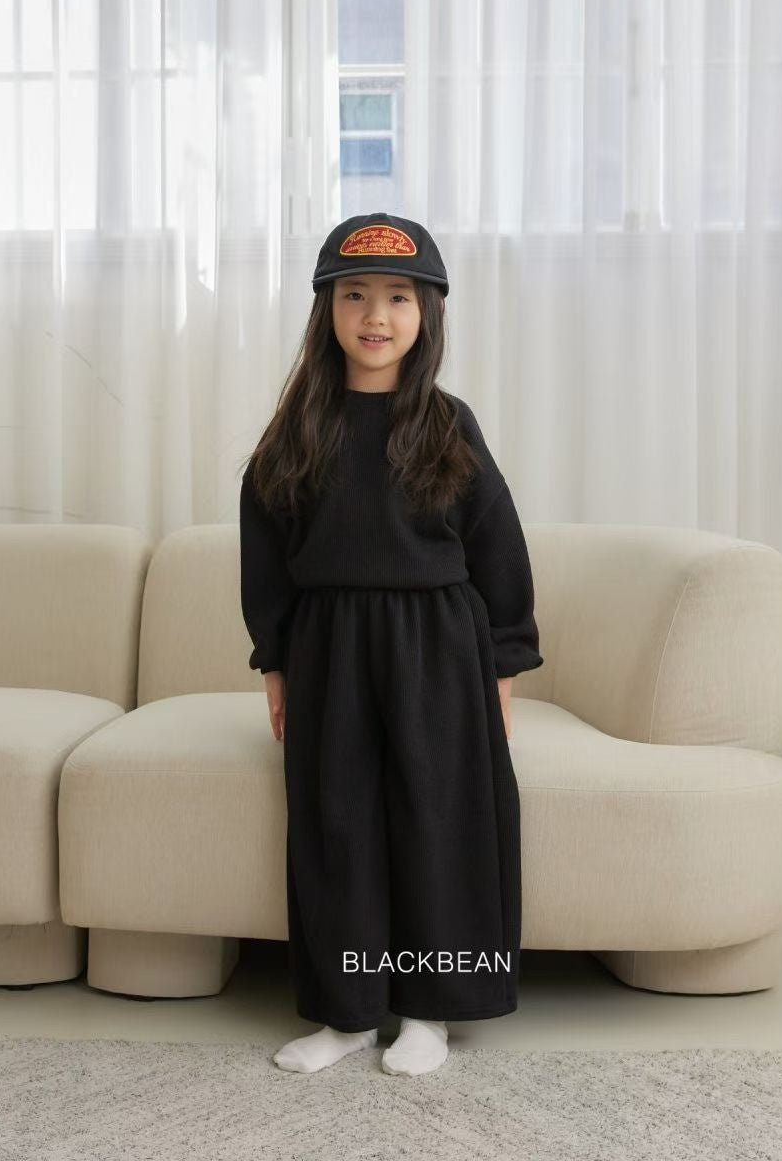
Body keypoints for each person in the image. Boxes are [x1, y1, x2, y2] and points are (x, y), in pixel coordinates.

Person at [238, 212, 543, 1077]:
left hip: (438, 650)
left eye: (398, 297)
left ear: (427, 312)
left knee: (437, 822)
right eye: (355, 295)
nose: (376, 315)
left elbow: (499, 547)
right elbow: (266, 552)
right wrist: (275, 662)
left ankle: (428, 1012)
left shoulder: (448, 424)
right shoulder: (298, 427)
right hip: (328, 649)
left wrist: (501, 673)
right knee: (335, 825)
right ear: (327, 310)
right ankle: (345, 1015)